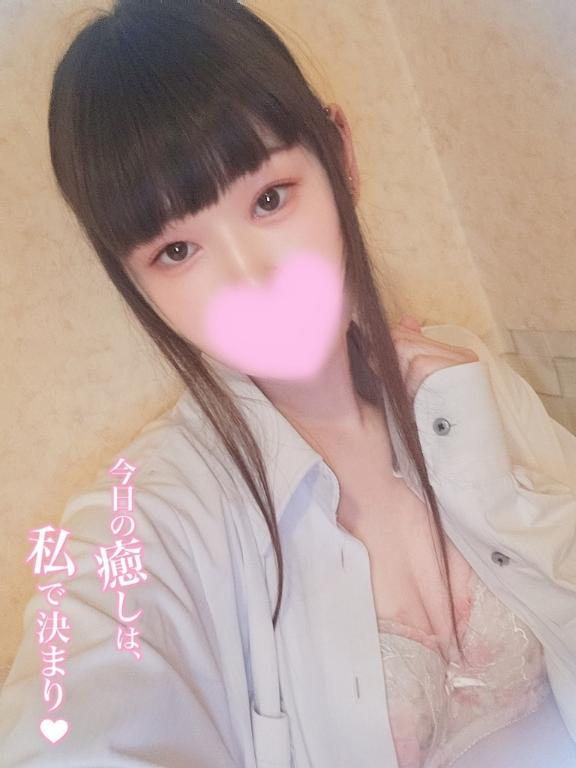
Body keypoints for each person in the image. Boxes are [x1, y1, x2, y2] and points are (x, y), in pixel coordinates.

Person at [1, 1, 575, 766]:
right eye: (176, 251)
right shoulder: (147, 520)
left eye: (269, 199)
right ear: (135, 284)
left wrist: (489, 479)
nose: (250, 280)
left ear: (341, 158)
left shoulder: (464, 377)